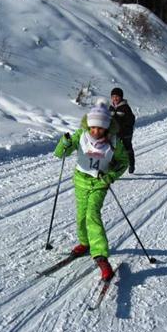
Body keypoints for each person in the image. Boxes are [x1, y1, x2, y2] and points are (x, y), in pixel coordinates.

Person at [54, 103, 129, 281]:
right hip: (80, 180)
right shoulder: (81, 135)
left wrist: (111, 175)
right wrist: (63, 143)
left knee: (92, 215)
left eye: (100, 127)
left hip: (99, 183)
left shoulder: (114, 142)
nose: (96, 131)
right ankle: (84, 243)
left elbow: (123, 162)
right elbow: (60, 154)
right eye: (93, 127)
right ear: (88, 125)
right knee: (81, 215)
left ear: (106, 127)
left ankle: (100, 256)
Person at [109, 87, 136, 173]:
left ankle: (131, 164)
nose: (115, 98)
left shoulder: (125, 107)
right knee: (113, 150)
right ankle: (114, 167)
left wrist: (125, 127)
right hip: (114, 133)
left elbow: (131, 119)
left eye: (117, 96)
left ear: (121, 97)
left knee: (127, 148)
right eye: (113, 96)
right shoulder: (111, 107)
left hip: (125, 133)